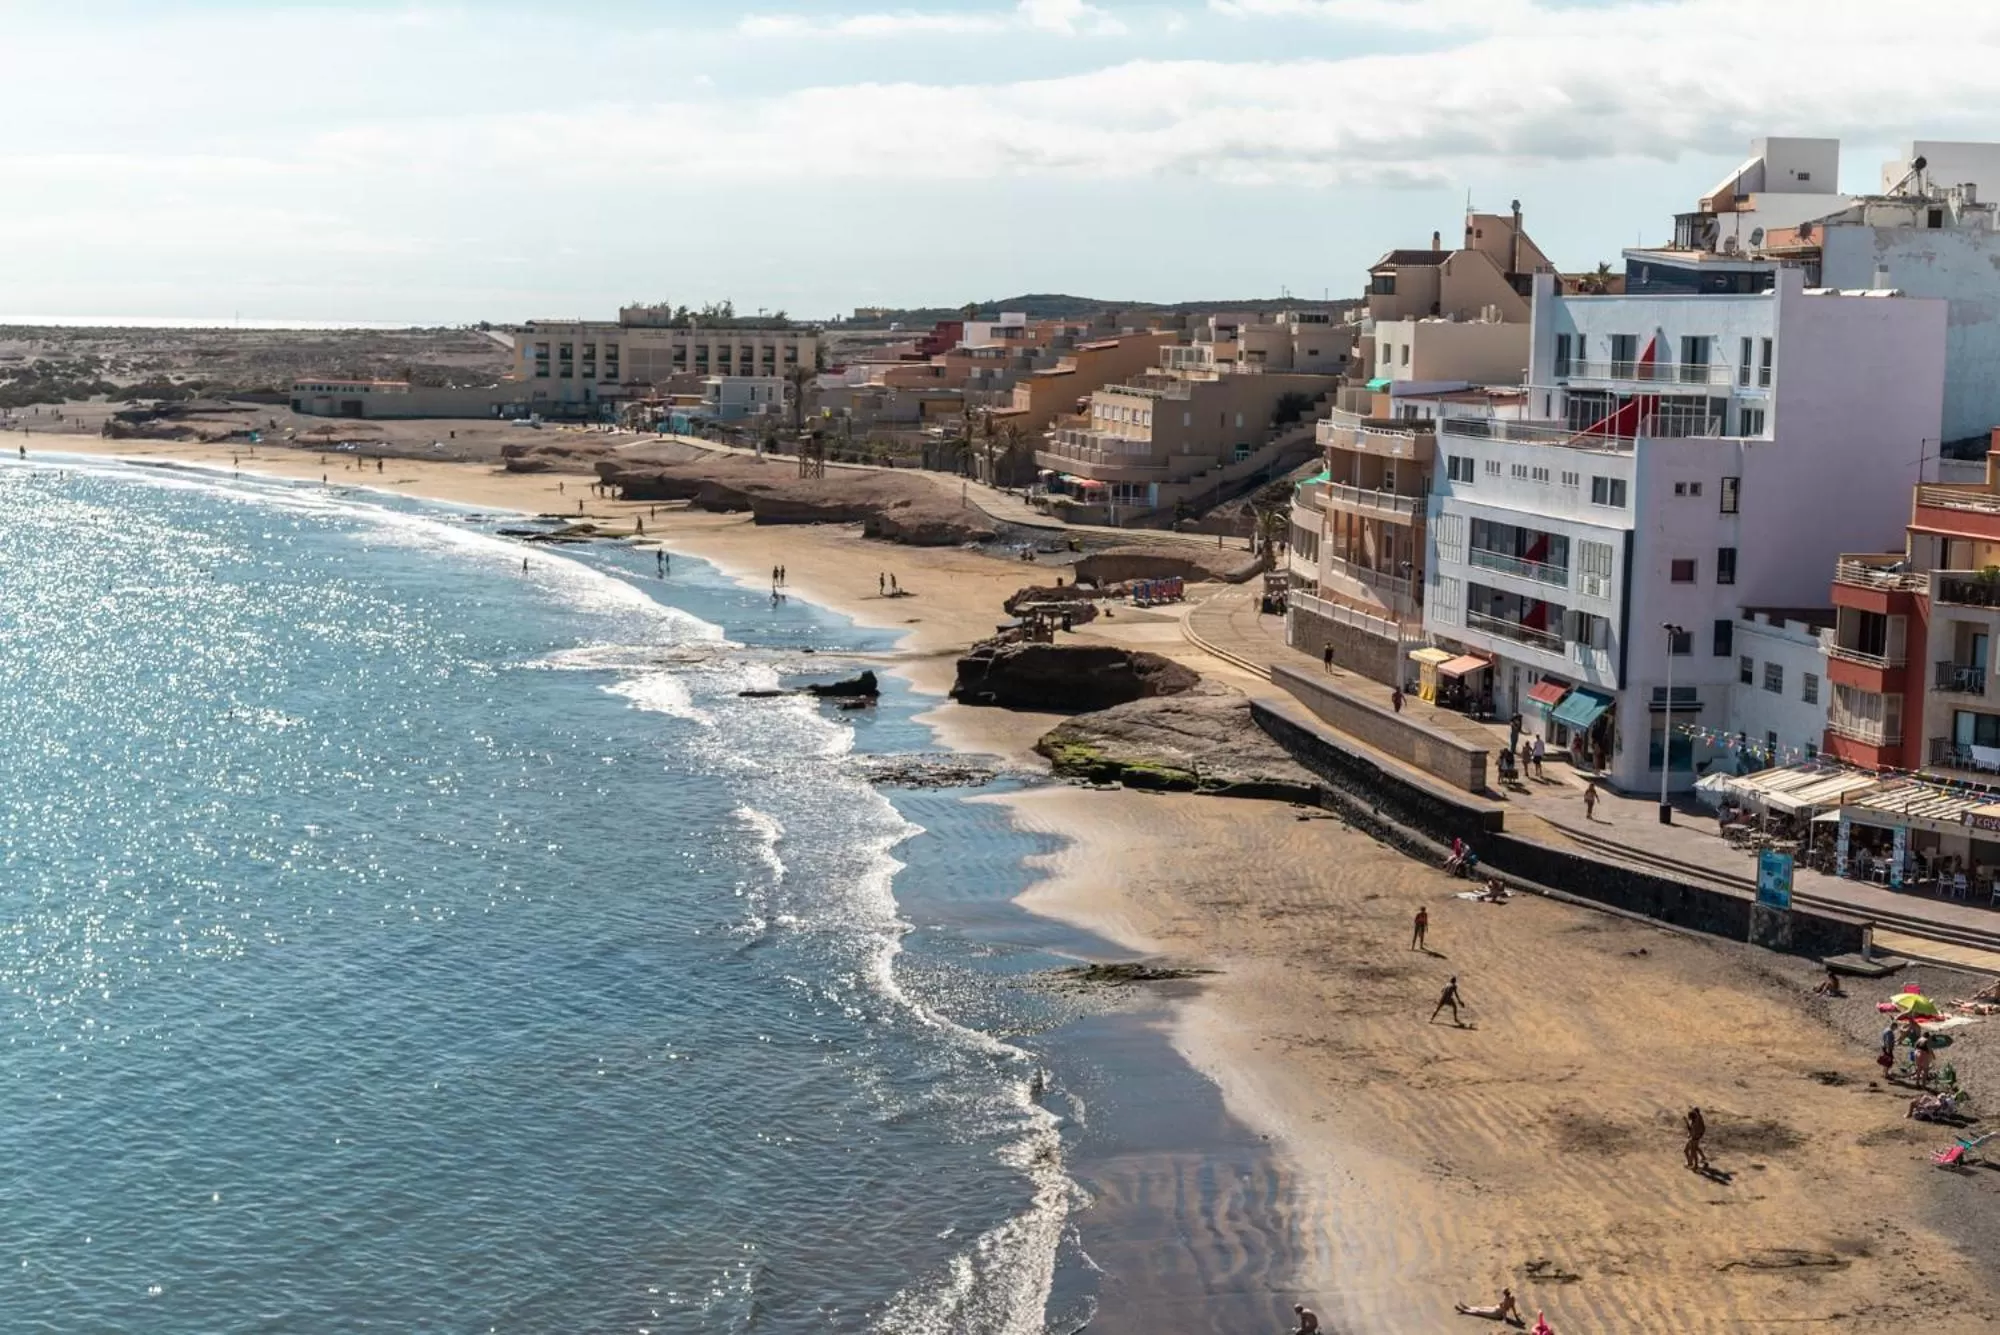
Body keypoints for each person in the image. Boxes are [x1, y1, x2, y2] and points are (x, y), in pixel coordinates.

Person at [1455, 1288, 1520, 1322]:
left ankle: (1464, 1311)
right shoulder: (1509, 1298)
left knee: (1479, 1312)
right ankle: (1467, 1307)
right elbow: (1513, 1307)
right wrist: (1515, 1315)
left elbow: (1505, 1311)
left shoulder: (1509, 1299)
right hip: (1495, 1308)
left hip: (1496, 1314)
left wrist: (1504, 1319)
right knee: (1481, 1308)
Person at [1684, 1106, 1708, 1171]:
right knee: (1692, 1150)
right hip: (1695, 1138)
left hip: (1693, 1139)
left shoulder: (1695, 1123)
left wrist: (1686, 1122)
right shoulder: (1696, 1120)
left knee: (1693, 1152)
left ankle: (1694, 1165)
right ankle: (1693, 1163)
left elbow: (1691, 1131)